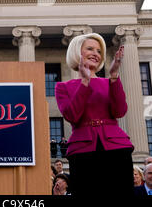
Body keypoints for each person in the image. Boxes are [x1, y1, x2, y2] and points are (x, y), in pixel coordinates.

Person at [55, 33, 134, 197]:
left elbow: (120, 111)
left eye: (99, 51)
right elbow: (72, 116)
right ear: (77, 52)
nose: (96, 54)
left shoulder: (110, 82)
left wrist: (113, 76)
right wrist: (85, 82)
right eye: (90, 49)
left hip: (115, 147)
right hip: (83, 149)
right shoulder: (63, 87)